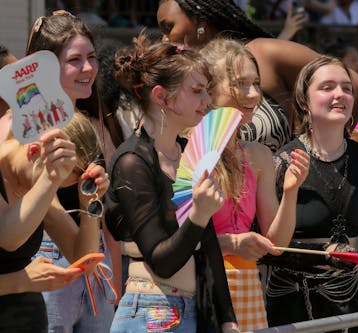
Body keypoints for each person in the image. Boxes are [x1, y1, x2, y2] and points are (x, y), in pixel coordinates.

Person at [106, 32, 239, 333]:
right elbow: (161, 260)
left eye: (207, 91)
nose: (207, 101)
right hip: (153, 312)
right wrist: (199, 214)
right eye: (197, 91)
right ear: (161, 97)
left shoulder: (187, 153)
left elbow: (208, 244)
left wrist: (227, 317)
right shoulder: (133, 162)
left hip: (195, 307)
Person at [262, 55, 358, 332]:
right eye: (327, 87)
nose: (339, 95)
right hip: (295, 304)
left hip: (355, 301)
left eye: (346, 88)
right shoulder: (284, 160)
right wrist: (324, 253)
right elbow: (267, 250)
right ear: (304, 101)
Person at [156, 0, 358, 151]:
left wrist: (328, 150)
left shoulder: (264, 53)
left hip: (288, 201)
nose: (164, 38)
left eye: (168, 27)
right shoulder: (187, 80)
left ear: (199, 20)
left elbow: (356, 85)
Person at [200, 38, 309, 331]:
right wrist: (232, 243)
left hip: (247, 284)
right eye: (240, 84)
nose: (252, 94)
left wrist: (290, 191)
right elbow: (175, 238)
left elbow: (277, 244)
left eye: (256, 83)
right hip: (199, 284)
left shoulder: (259, 154)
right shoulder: (190, 149)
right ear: (209, 88)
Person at [25, 10, 121, 331]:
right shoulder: (30, 132)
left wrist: (113, 272)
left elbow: (100, 215)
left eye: (92, 57)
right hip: (49, 256)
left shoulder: (89, 124)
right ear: (46, 68)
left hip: (94, 256)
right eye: (75, 60)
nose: (89, 68)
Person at [0, 111, 109, 332]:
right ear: (33, 150)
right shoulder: (45, 182)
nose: (53, 189)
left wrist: (88, 204)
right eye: (54, 178)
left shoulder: (42, 185)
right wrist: (21, 281)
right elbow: (8, 237)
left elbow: (83, 260)